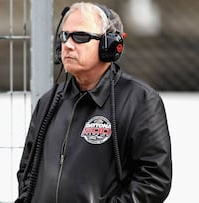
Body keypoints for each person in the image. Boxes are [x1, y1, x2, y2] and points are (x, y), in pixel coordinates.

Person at [15, 2, 172, 203]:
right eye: (64, 36)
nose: (68, 45)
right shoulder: (48, 102)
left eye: (80, 37)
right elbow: (27, 171)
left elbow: (153, 180)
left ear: (110, 45)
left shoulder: (140, 100)